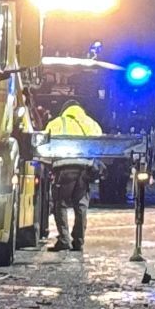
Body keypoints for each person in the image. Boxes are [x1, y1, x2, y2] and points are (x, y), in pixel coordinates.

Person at [45, 101, 102, 252]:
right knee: (81, 206)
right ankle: (78, 241)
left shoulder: (56, 123)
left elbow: (46, 146)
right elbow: (100, 147)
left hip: (64, 169)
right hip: (85, 170)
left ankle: (64, 240)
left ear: (64, 110)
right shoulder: (92, 123)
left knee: (60, 204)